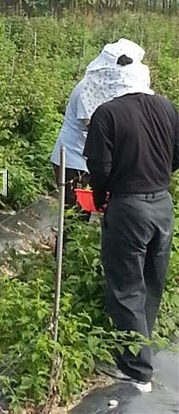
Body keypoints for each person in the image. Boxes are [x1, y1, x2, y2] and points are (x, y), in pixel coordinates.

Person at [84, 46, 179, 393]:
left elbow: (100, 168)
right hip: (162, 205)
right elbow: (176, 153)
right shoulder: (166, 106)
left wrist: (101, 200)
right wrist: (156, 175)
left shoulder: (107, 114)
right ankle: (142, 349)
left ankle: (135, 368)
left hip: (129, 207)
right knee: (151, 281)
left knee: (125, 286)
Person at [51, 38, 151, 217]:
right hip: (74, 159)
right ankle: (65, 246)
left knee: (88, 211)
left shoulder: (111, 86)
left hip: (90, 158)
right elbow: (95, 128)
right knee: (74, 215)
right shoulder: (88, 88)